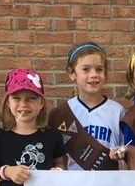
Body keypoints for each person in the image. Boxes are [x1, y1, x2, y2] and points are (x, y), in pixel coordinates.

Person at [51, 42, 129, 170]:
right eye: (86, 69)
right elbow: (56, 159)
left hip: (108, 184)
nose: (93, 75)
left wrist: (119, 154)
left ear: (105, 73)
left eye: (99, 69)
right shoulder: (61, 114)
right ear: (72, 73)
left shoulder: (116, 111)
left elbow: (126, 153)